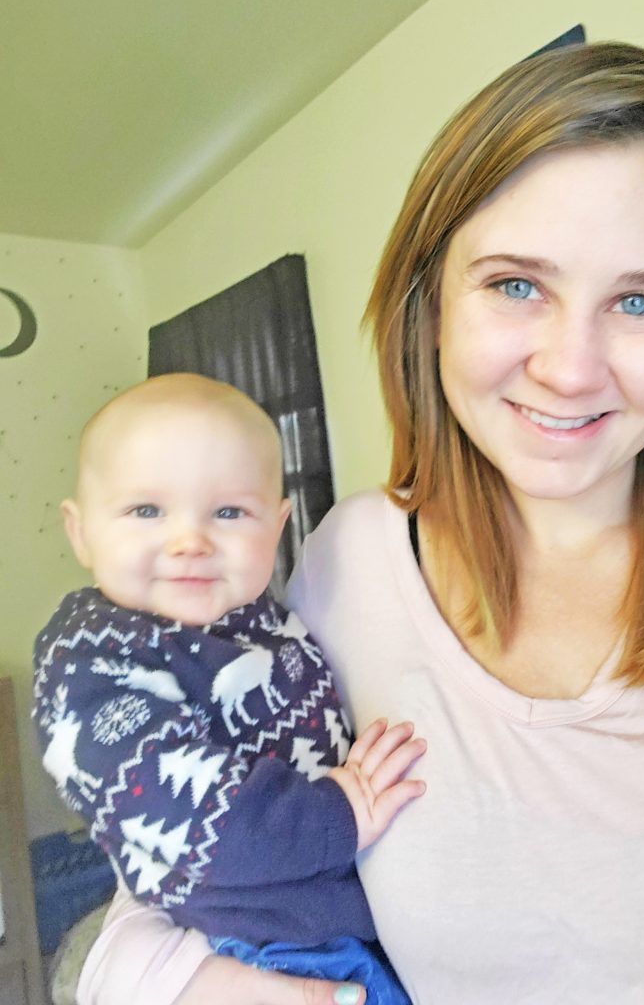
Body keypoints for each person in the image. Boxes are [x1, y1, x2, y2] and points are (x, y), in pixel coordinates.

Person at [77, 40, 644, 1005]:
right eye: (517, 284)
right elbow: (164, 882)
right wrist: (199, 984)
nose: (571, 368)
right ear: (430, 300)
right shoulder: (349, 561)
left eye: (642, 300)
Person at [32, 373, 425, 1005]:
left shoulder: (258, 619)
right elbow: (177, 802)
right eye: (146, 510)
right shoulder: (92, 656)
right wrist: (337, 814)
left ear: (277, 525)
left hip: (335, 917)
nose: (190, 542)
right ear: (80, 533)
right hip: (256, 944)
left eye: (229, 512)